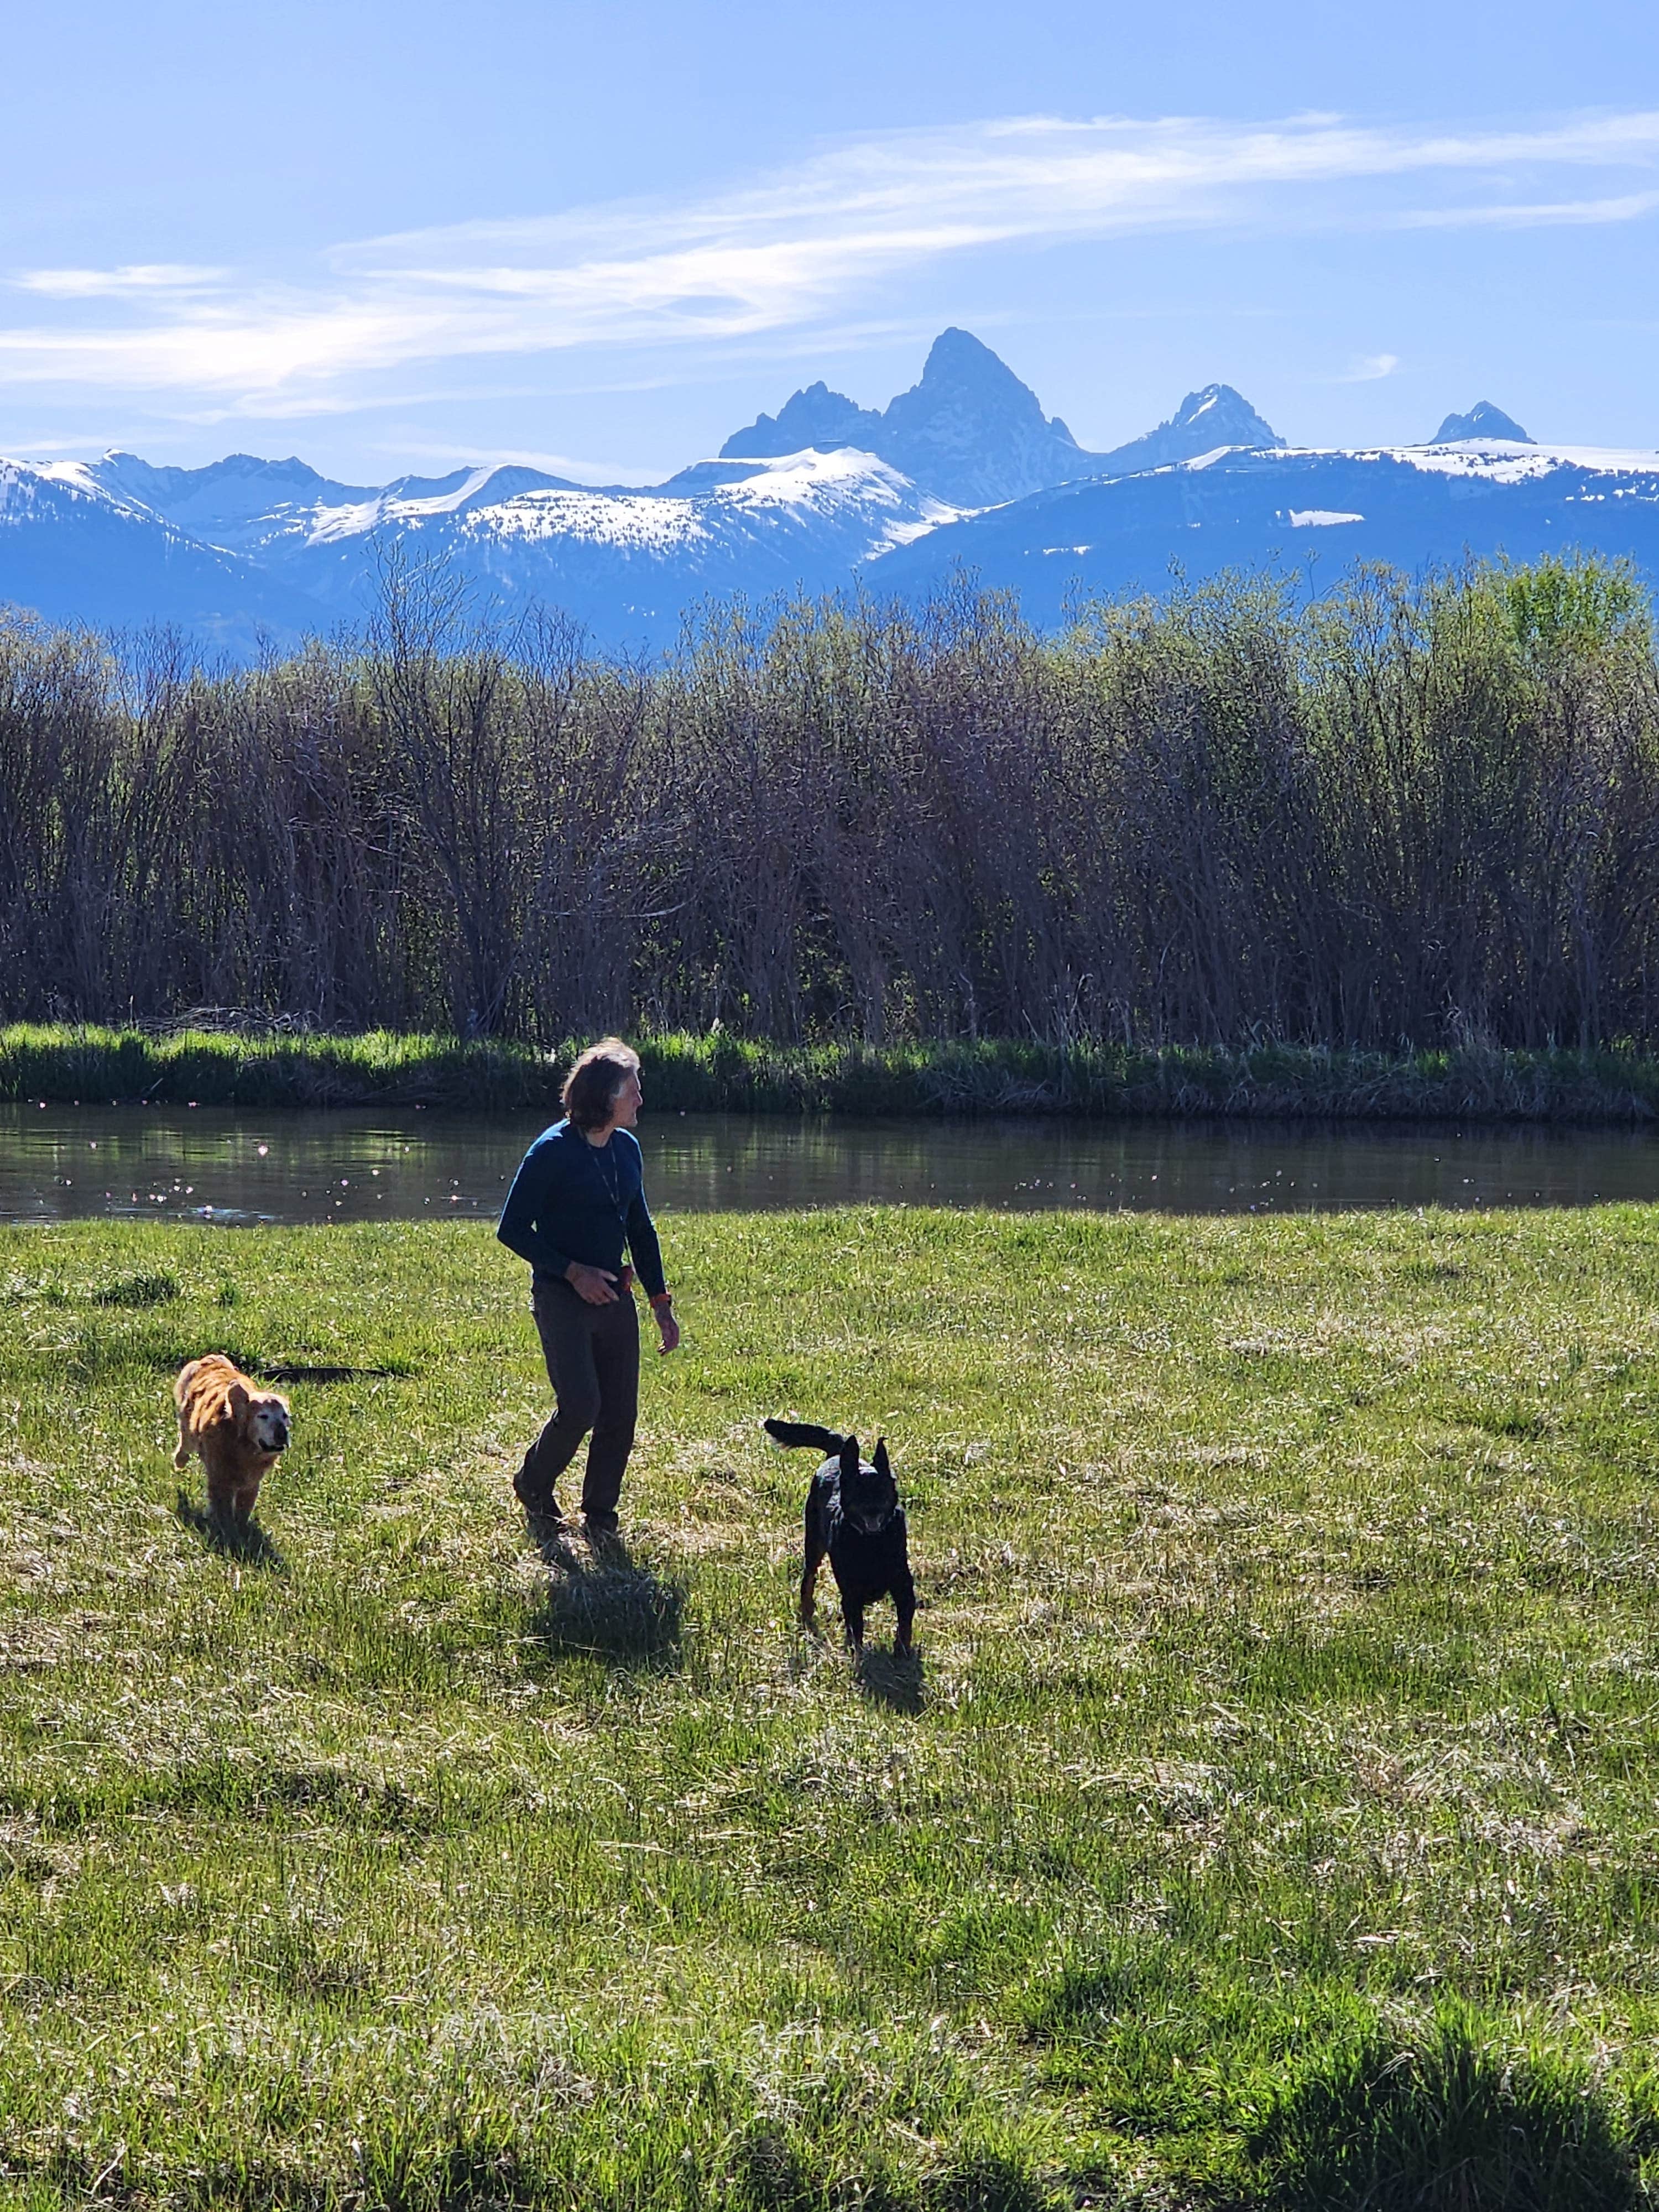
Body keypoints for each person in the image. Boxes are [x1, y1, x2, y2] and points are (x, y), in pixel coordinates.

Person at [497, 1039, 679, 1538]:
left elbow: (640, 1229)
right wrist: (572, 1272)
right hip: (562, 1297)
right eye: (634, 1091)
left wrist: (660, 1302)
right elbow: (511, 1228)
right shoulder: (552, 1152)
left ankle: (600, 1515)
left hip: (614, 1296)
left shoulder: (627, 1149)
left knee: (620, 1414)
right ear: (607, 1097)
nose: (641, 1100)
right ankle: (533, 1483)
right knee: (581, 1406)